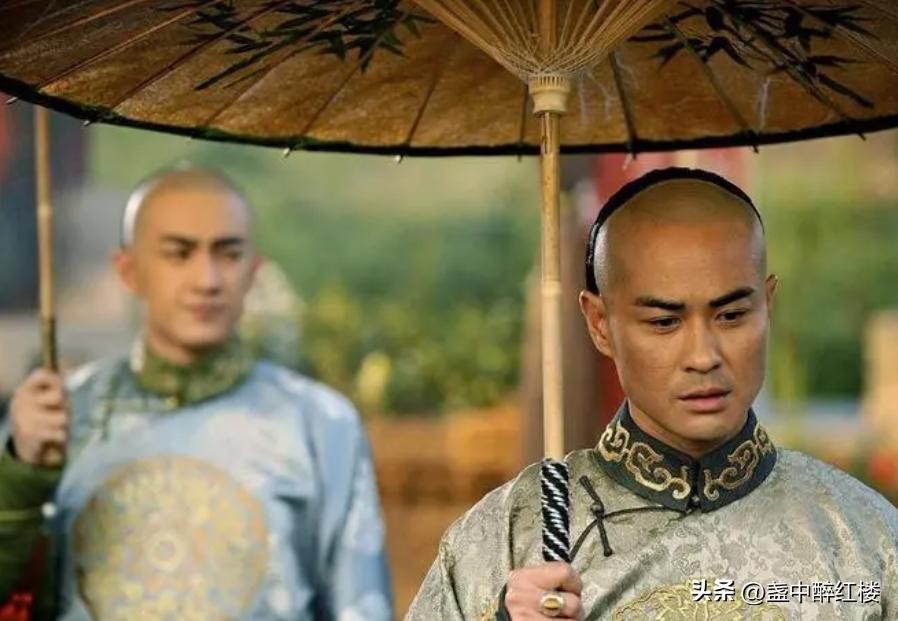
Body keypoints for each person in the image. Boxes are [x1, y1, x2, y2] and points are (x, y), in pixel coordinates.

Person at [405, 167, 898, 620]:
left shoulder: (862, 538)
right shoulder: (515, 537)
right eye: (664, 322)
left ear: (767, 305)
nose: (703, 356)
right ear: (600, 324)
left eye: (731, 316)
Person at [0, 166, 393, 620]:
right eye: (179, 254)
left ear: (253, 270)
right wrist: (22, 475)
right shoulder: (54, 417)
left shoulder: (320, 424)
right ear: (128, 270)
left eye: (228, 254)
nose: (207, 280)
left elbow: (362, 606)